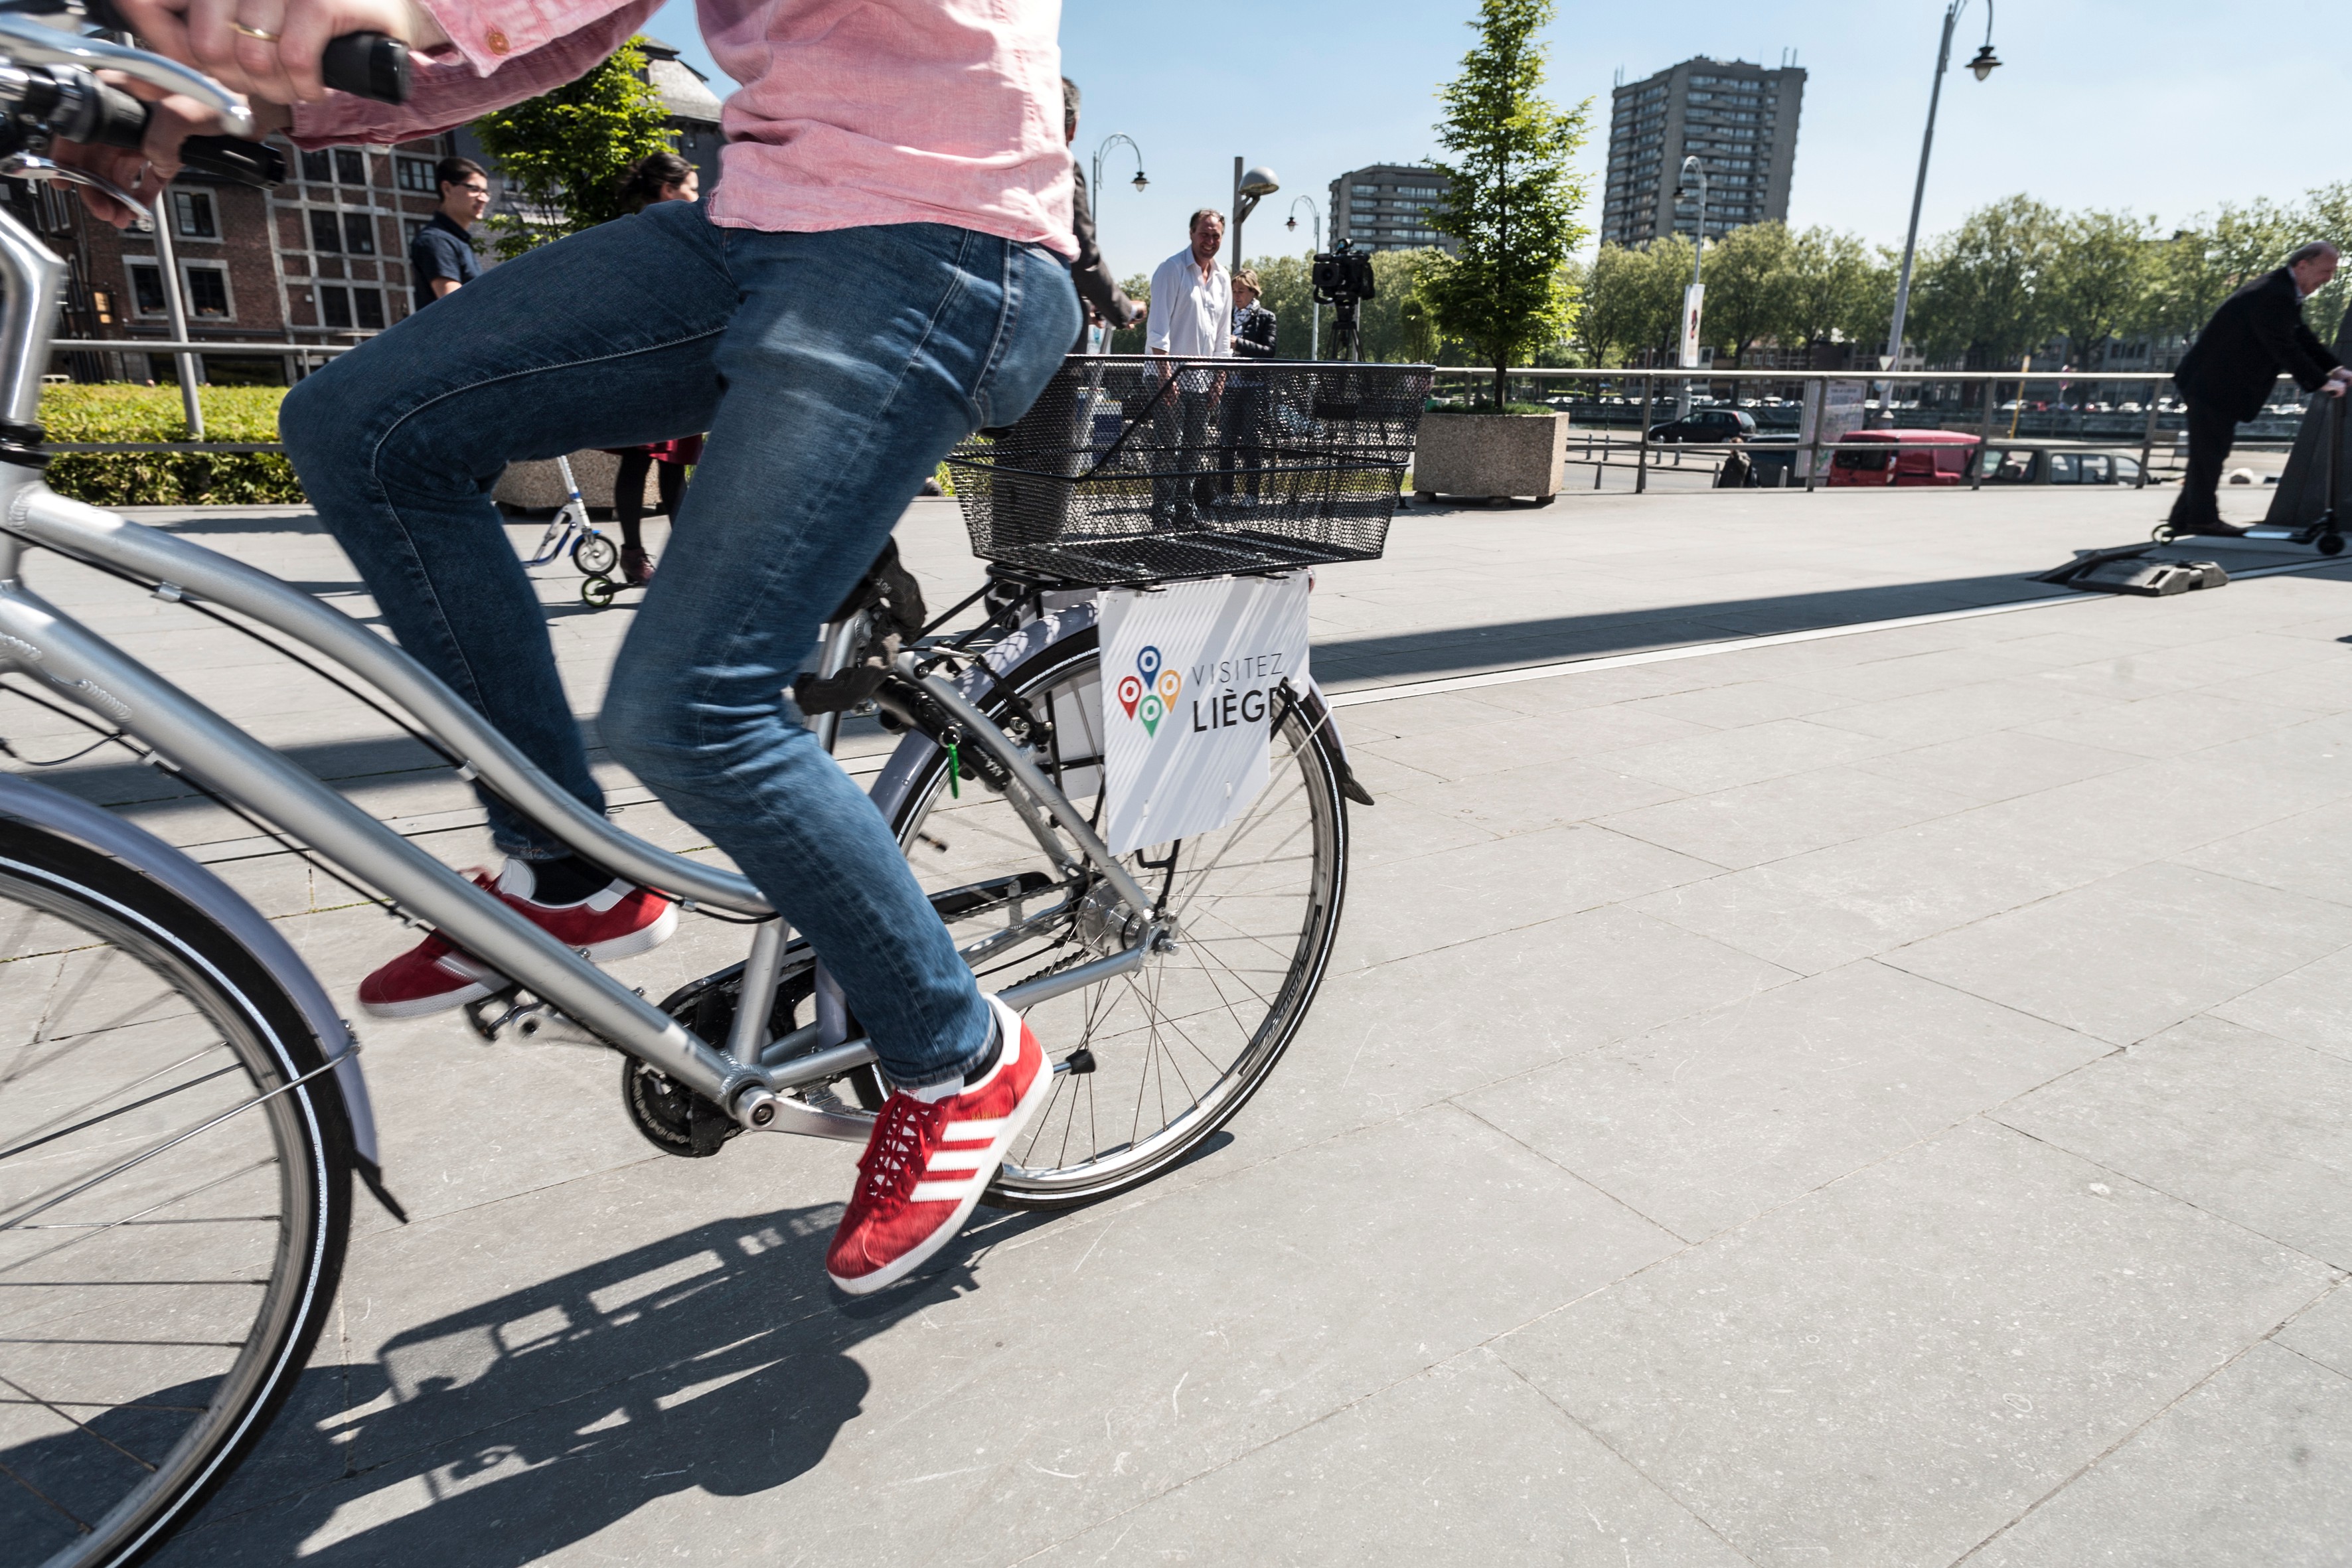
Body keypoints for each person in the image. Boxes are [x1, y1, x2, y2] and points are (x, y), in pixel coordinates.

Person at [88, 0, 1082, 1296]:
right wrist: (251, 97)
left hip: (936, 232)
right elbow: (561, 30)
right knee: (361, 426)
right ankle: (570, 869)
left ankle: (959, 1052)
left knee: (689, 708)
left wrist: (331, 22)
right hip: (761, 215)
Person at [2169, 241, 2351, 537]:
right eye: (2326, 271)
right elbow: (2284, 347)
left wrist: (2335, 369)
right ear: (2303, 265)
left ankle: (2184, 518)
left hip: (2213, 382)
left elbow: (2302, 336)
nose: (2329, 279)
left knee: (2208, 453)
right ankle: (2202, 519)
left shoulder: (2280, 290)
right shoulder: (2273, 295)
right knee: (2210, 454)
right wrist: (2323, 383)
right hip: (2213, 383)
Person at [599, 151, 704, 587]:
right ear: (668, 190)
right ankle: (685, 568)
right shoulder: (681, 234)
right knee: (672, 466)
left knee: (639, 463)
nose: (697, 197)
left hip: (635, 357)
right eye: (692, 189)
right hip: (672, 358)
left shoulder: (628, 232)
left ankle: (633, 555)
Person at [1145, 208, 1230, 526]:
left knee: (1194, 447)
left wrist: (1220, 378)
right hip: (1168, 376)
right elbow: (1158, 329)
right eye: (1204, 234)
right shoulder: (1171, 269)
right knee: (1168, 446)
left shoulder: (1223, 278)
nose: (1210, 241)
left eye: (1216, 235)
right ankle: (1162, 513)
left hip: (1202, 377)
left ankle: (1185, 510)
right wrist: (1166, 374)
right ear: (1192, 234)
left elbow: (1223, 335)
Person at [1059, 77, 1140, 353]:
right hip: (1052, 334)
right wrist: (1124, 310)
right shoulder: (1062, 169)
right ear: (1073, 127)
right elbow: (1084, 259)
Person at [1221, 267, 1275, 501]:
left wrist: (1240, 344)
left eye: (1241, 291)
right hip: (1229, 386)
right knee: (1226, 441)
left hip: (1254, 388)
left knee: (1252, 441)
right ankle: (1225, 492)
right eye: (1233, 291)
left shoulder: (1266, 317)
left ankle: (1252, 493)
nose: (1237, 296)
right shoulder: (1227, 316)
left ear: (1254, 292)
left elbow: (1269, 351)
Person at [408, 155, 487, 309]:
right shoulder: (437, 241)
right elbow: (455, 307)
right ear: (447, 189)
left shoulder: (455, 240)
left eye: (485, 191)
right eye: (474, 189)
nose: (483, 198)